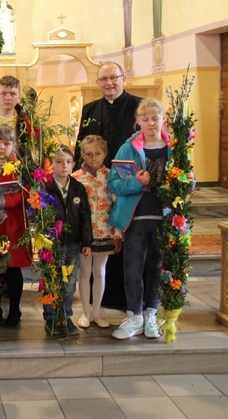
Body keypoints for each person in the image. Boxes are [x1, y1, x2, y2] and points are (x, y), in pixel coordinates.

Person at [108, 98, 193, 340]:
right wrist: (138, 182)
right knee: (132, 268)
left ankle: (151, 315)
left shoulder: (176, 148)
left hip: (166, 219)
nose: (150, 123)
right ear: (138, 121)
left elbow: (187, 181)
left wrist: (189, 181)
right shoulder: (128, 148)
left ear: (163, 119)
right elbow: (114, 183)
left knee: (157, 268)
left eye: (154, 118)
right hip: (136, 218)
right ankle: (134, 316)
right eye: (144, 119)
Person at [74, 61, 141, 310]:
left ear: (124, 78)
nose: (109, 83)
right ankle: (96, 302)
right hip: (95, 185)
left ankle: (123, 298)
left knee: (120, 238)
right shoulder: (90, 109)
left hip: (127, 184)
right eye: (104, 79)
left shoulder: (137, 106)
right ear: (98, 83)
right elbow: (81, 142)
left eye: (114, 78)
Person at [71, 135, 121, 329]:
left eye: (98, 154)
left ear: (105, 154)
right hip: (84, 235)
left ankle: (97, 312)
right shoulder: (75, 178)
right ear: (82, 153)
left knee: (100, 271)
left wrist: (118, 234)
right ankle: (85, 312)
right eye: (89, 154)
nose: (93, 158)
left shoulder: (111, 176)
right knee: (84, 272)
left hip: (105, 231)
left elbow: (117, 206)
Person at [42, 146, 93, 336]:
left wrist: (87, 241)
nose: (64, 166)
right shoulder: (45, 187)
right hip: (51, 243)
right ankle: (51, 317)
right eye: (59, 161)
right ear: (51, 164)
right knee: (51, 280)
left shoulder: (78, 188)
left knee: (70, 282)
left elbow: (85, 216)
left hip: (73, 242)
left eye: (68, 162)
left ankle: (66, 315)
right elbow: (38, 214)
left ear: (74, 164)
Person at [0, 124, 30, 328]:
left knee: (12, 269)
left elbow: (25, 193)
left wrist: (1, 201)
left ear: (13, 145)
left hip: (12, 224)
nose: (2, 148)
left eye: (6, 143)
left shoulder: (19, 167)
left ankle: (15, 310)